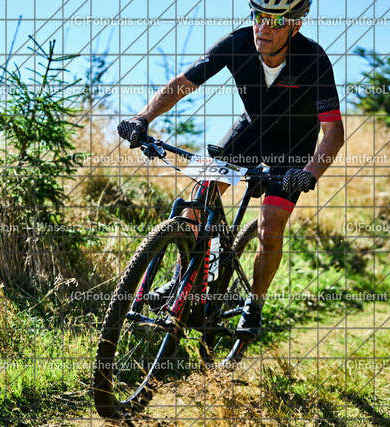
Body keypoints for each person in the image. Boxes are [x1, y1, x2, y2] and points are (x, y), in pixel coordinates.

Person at [117, 0, 344, 340]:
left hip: (293, 150)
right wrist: (142, 118)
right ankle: (184, 280)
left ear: (295, 26)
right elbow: (183, 83)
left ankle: (254, 303)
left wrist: (310, 173)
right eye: (258, 16)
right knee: (199, 198)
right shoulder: (237, 43)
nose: (263, 27)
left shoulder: (313, 59)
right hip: (250, 132)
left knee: (270, 226)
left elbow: (333, 131)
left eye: (275, 21)